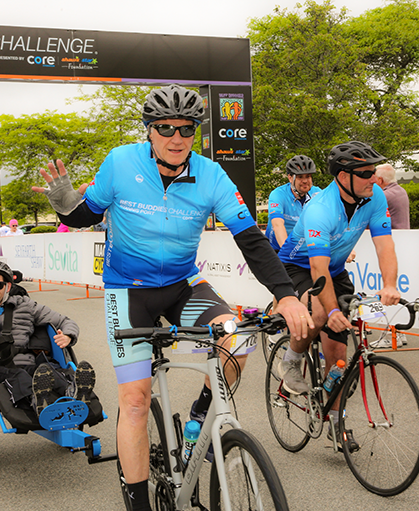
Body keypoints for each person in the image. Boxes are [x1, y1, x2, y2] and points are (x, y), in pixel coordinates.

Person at [32, 84, 311, 511]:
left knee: (238, 338)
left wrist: (287, 296)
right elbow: (85, 213)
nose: (177, 137)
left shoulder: (212, 174)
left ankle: (201, 412)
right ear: (150, 130)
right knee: (136, 400)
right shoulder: (122, 162)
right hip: (128, 293)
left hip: (183, 286)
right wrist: (64, 203)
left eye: (187, 128)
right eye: (165, 128)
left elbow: (251, 240)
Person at [277, 141, 401, 451]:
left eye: (374, 172)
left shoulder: (374, 197)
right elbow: (316, 268)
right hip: (297, 266)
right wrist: (331, 311)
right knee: (321, 314)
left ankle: (336, 422)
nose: (373, 178)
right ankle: (291, 360)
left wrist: (390, 284)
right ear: (343, 177)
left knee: (338, 353)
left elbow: (385, 246)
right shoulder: (320, 208)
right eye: (365, 173)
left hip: (333, 268)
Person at [0, 260, 96, 420]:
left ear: (8, 286)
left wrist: (68, 335)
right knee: (19, 376)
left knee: (49, 371)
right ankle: (38, 402)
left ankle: (73, 393)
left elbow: (65, 321)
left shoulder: (26, 305)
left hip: (27, 363)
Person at [265, 155, 321, 252]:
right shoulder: (278, 194)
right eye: (300, 177)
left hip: (303, 249)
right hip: (277, 248)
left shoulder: (317, 194)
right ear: (290, 178)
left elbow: (331, 222)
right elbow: (278, 224)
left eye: (308, 176)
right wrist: (287, 250)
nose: (305, 181)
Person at [375, 163, 410, 229]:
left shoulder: (385, 195)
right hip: (403, 234)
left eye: (374, 178)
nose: (372, 181)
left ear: (380, 180)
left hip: (392, 236)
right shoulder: (401, 191)